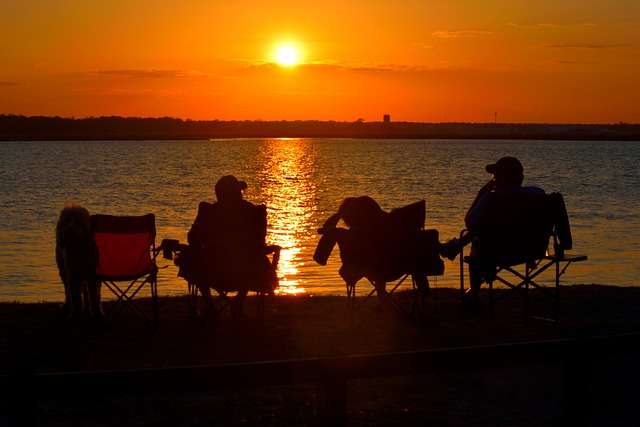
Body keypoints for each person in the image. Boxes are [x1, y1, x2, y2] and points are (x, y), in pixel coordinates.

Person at [440, 156, 545, 306]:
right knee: (485, 228)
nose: (493, 179)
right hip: (531, 250)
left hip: (496, 253)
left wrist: (481, 193)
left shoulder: (490, 198)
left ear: (502, 178)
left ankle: (474, 294)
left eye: (494, 176)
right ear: (520, 178)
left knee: (478, 238)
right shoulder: (537, 194)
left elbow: (470, 222)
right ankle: (456, 246)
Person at [186, 175, 278, 318]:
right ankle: (238, 303)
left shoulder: (209, 213)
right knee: (252, 258)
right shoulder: (252, 212)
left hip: (212, 272)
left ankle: (210, 306)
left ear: (219, 194)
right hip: (246, 273)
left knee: (193, 259)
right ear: (239, 192)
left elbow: (192, 238)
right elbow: (259, 245)